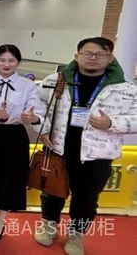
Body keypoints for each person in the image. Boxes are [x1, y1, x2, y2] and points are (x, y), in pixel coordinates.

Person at [35, 37, 136, 255]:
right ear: (76, 56)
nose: (93, 58)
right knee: (51, 192)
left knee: (86, 199)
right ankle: (48, 226)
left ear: (110, 58)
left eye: (100, 54)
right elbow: (37, 104)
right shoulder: (57, 80)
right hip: (58, 148)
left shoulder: (126, 89)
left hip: (96, 155)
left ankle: (76, 235)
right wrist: (43, 129)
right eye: (87, 53)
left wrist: (112, 123)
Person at [0, 44, 43, 241]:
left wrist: (33, 118)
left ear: (18, 62)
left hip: (14, 136)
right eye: (2, 60)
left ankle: (0, 220)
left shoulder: (27, 85)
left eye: (11, 60)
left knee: (10, 177)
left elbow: (36, 112)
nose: (6, 64)